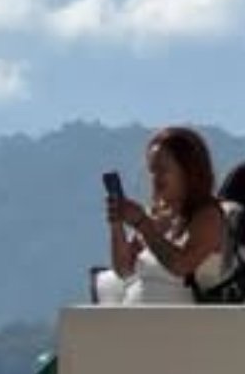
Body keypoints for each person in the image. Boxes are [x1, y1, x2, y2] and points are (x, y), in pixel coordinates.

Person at [95, 127, 230, 306]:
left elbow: (181, 265)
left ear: (188, 171)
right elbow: (124, 269)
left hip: (181, 321)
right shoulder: (155, 215)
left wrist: (142, 224)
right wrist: (117, 224)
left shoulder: (208, 215)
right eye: (152, 170)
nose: (155, 178)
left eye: (163, 170)